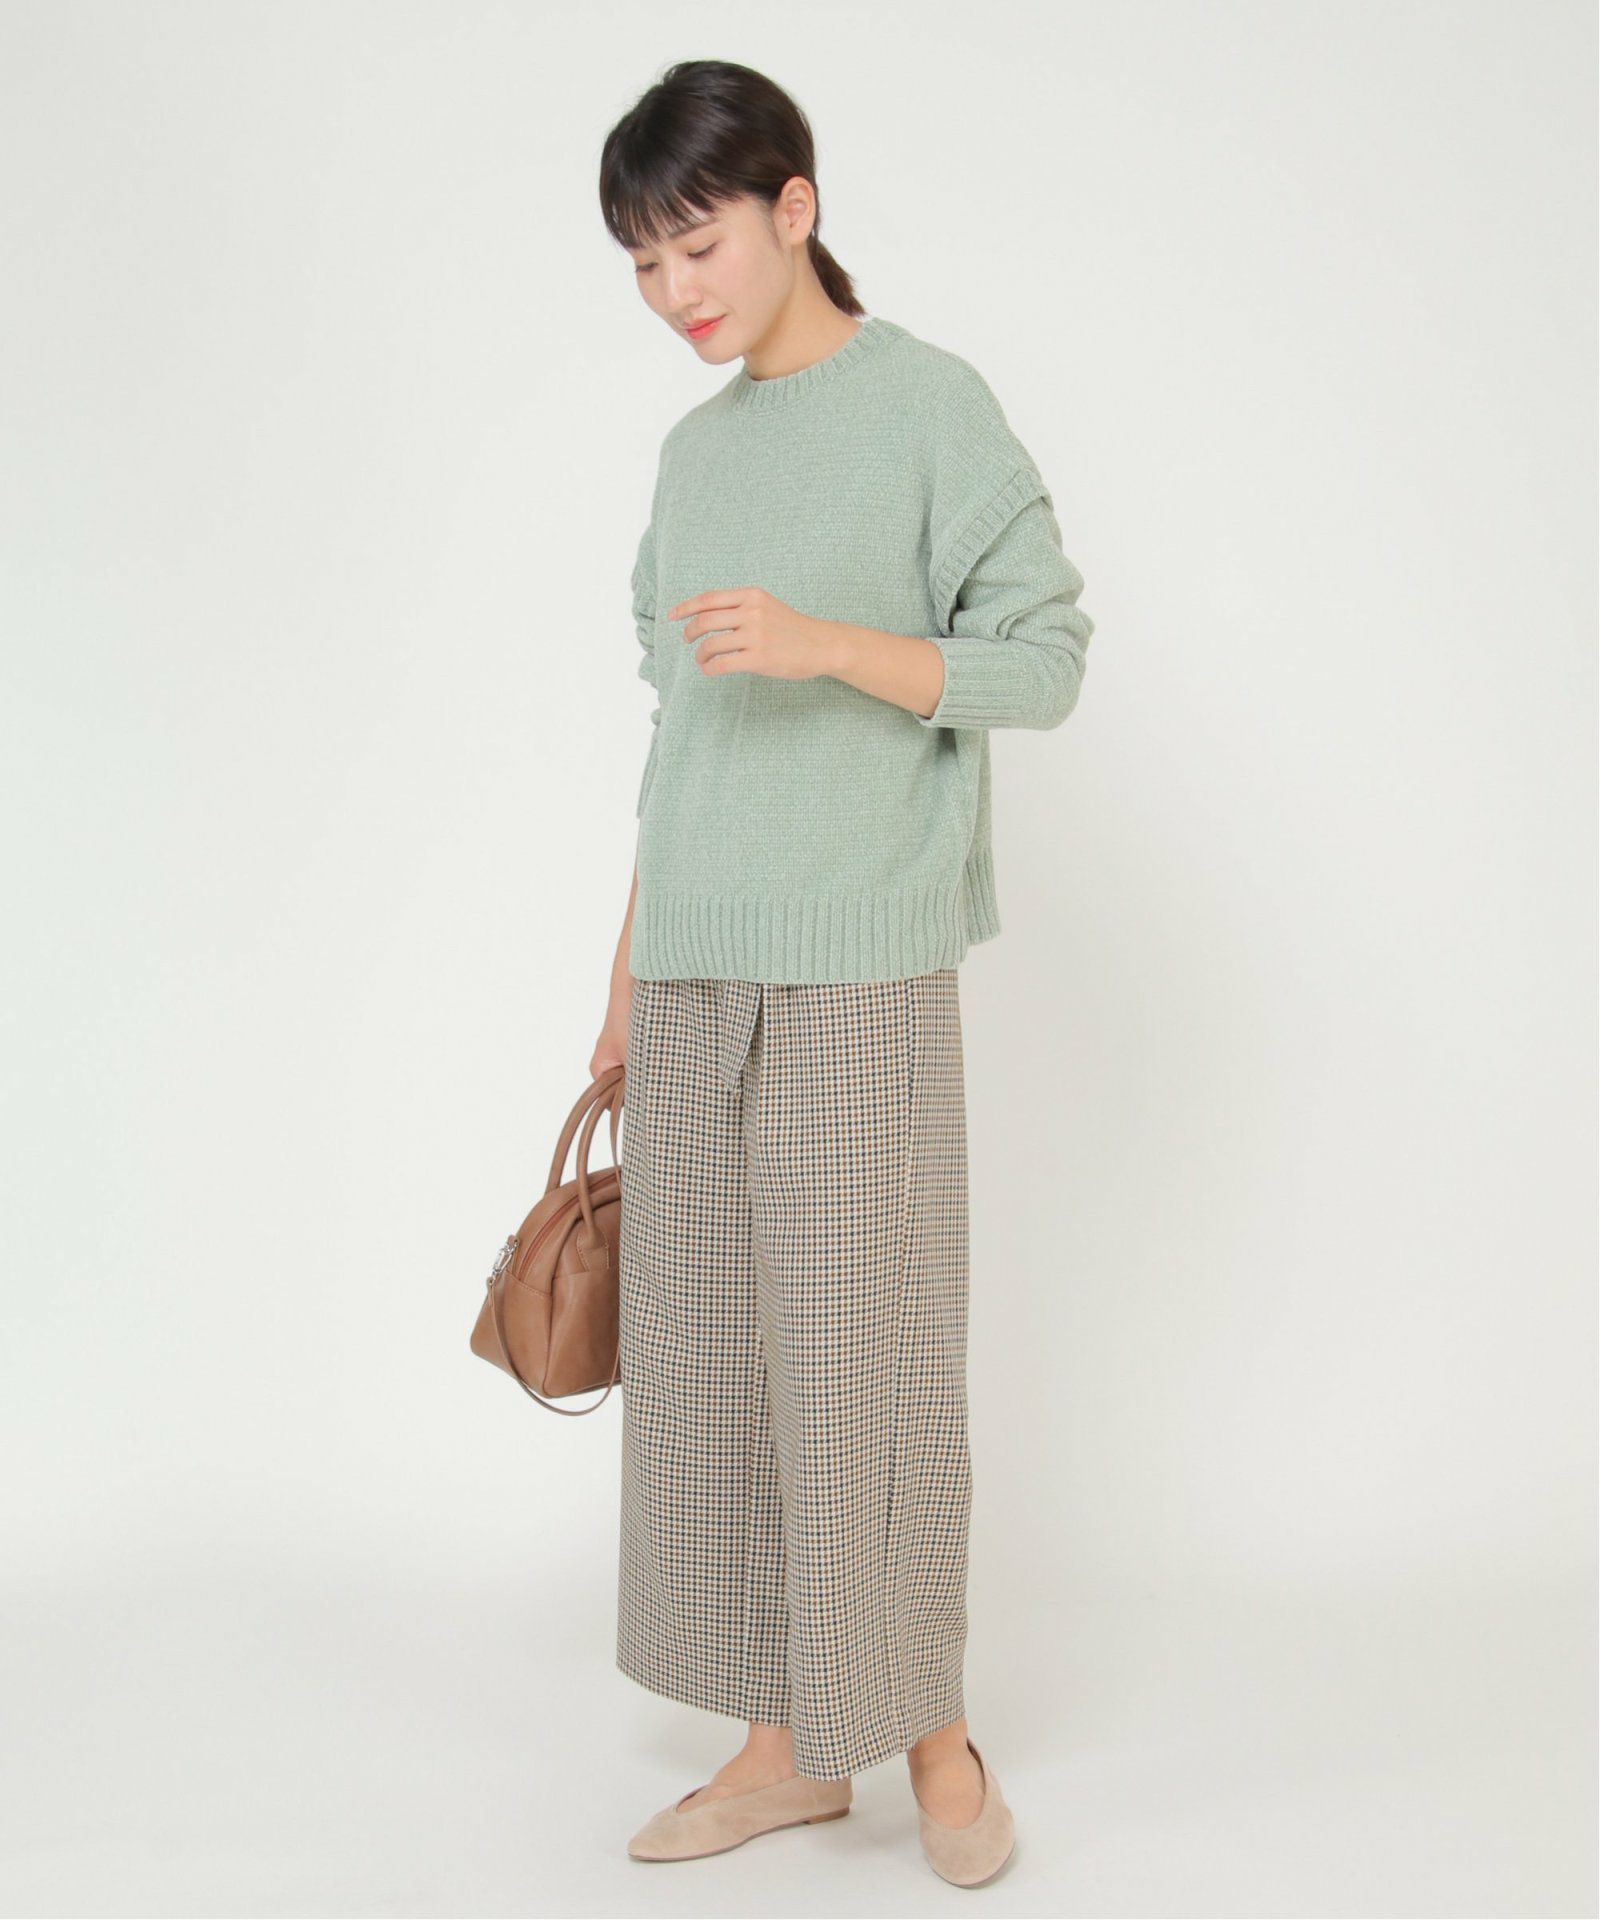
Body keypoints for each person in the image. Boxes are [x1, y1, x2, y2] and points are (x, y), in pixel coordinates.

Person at [588, 58, 1094, 1888]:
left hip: (860, 964)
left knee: (862, 1366)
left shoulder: (928, 407)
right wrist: (625, 972)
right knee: (711, 1365)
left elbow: (1043, 660)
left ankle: (933, 1736)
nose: (677, 292)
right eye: (645, 264)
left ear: (794, 206)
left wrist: (828, 645)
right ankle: (782, 1748)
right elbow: (678, 739)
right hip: (697, 963)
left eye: (699, 244)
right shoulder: (693, 455)